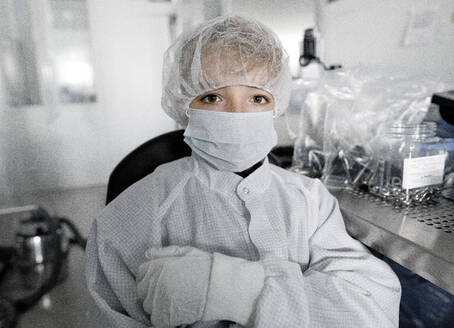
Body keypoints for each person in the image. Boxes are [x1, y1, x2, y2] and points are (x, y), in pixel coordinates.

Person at [85, 15, 401, 328]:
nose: (237, 115)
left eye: (257, 97)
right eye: (212, 96)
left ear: (276, 104)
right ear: (183, 105)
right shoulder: (129, 218)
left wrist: (227, 290)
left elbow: (372, 309)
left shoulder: (310, 202)